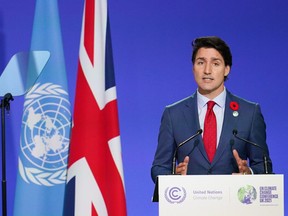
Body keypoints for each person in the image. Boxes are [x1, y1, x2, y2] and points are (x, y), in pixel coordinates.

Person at [151, 36, 273, 183]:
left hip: (234, 204)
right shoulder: (173, 114)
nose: (207, 70)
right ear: (193, 67)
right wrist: (172, 176)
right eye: (201, 62)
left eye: (215, 63)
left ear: (226, 69)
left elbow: (263, 166)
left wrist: (249, 173)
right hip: (190, 204)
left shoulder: (250, 113)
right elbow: (159, 167)